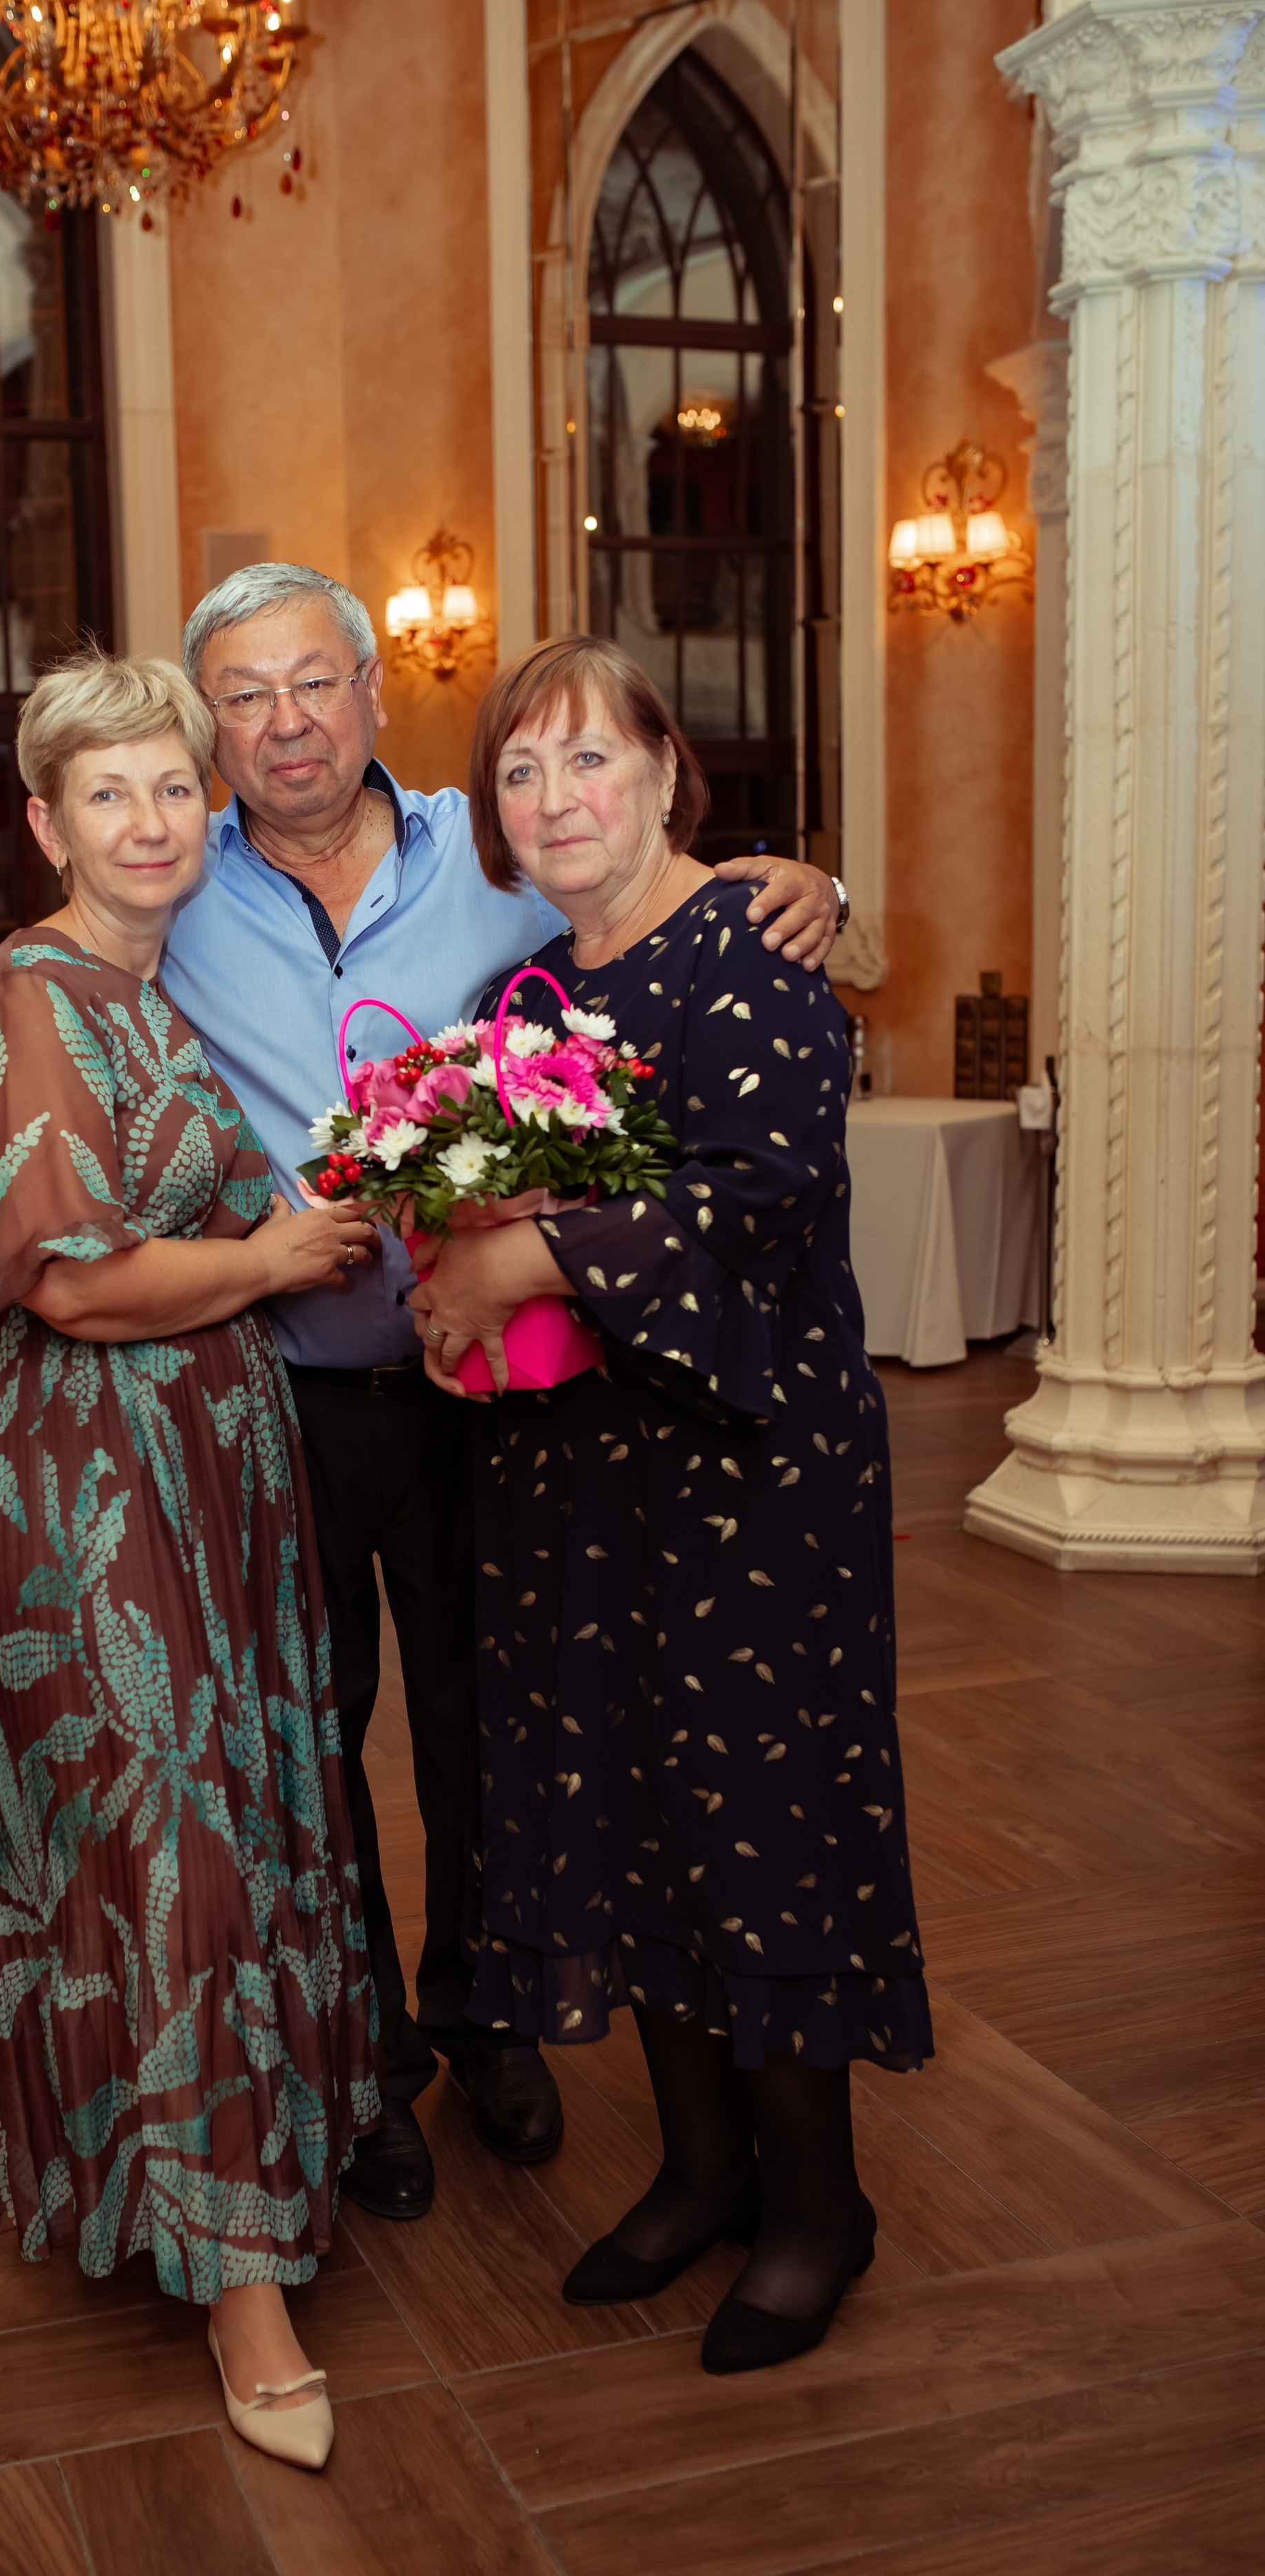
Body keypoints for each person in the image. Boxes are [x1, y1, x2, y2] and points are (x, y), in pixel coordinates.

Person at [0, 561, 842, 2226]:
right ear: (208, 738)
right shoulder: (173, 878)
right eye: (243, 697)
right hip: (268, 1393)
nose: (283, 722)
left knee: (505, 1723)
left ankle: (492, 2021)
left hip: (505, 1388)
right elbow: (41, 1003)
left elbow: (673, 912)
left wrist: (815, 887)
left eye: (310, 682)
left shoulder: (499, 858)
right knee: (301, 1729)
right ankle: (370, 2074)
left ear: (369, 690)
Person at [408, 634, 931, 2374]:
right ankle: (700, 2171)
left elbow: (767, 1187)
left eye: (586, 761)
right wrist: (447, 1283)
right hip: (574, 1476)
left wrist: (524, 1245)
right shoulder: (527, 998)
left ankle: (813, 2207)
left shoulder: (758, 947)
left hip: (748, 1474)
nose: (553, 800)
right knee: (624, 1806)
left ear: (660, 771)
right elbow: (467, 1212)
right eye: (518, 771)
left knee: (760, 1824)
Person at [0, 650, 378, 2471]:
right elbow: (74, 1278)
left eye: (173, 788)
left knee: (221, 1819)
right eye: (107, 794)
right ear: (46, 823)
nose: (151, 820)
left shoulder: (146, 980)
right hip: (92, 1481)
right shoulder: (38, 986)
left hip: (209, 1457)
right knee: (165, 1834)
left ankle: (216, 2173)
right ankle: (239, 2288)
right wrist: (278, 1261)